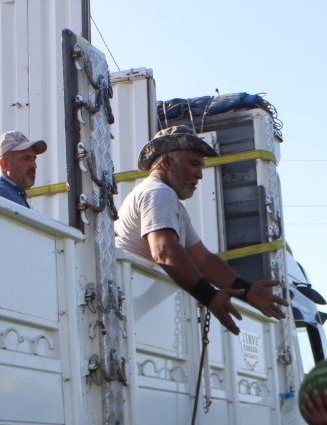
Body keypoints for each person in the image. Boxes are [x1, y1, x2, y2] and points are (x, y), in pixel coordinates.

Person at [115, 125, 287, 334]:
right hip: (133, 305)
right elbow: (164, 251)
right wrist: (210, 296)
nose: (200, 175)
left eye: (201, 166)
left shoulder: (165, 199)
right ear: (167, 163)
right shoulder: (158, 193)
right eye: (194, 164)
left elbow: (203, 259)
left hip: (137, 309)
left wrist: (246, 290)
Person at [0, 131, 46, 208]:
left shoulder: (14, 194)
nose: (34, 165)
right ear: (4, 164)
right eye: (25, 159)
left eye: (34, 159)